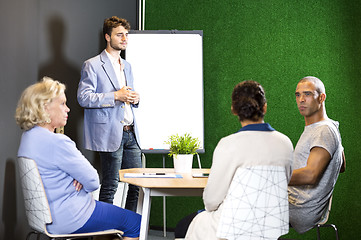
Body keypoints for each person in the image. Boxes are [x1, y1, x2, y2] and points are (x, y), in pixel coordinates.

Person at [15, 77, 140, 240]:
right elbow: (94, 181)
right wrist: (79, 178)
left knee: (112, 222)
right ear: (44, 108)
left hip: (46, 219)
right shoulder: (57, 141)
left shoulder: (28, 138)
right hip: (73, 217)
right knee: (135, 223)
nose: (67, 109)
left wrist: (78, 178)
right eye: (62, 104)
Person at [184, 80, 294, 240]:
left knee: (185, 226)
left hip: (229, 231)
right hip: (269, 229)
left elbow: (211, 201)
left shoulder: (228, 145)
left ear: (234, 110)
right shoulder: (285, 143)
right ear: (264, 107)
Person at [77, 16, 141, 212]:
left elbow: (125, 97)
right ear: (107, 37)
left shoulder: (127, 66)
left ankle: (129, 227)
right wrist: (116, 96)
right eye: (119, 35)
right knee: (110, 185)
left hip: (131, 133)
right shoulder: (93, 64)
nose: (124, 39)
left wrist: (135, 99)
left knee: (137, 185)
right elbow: (84, 98)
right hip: (111, 133)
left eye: (126, 35)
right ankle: (106, 232)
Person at [288, 76, 345, 233]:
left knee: (236, 204)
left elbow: (310, 175)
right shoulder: (327, 127)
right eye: (297, 95)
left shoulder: (323, 130)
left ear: (322, 97)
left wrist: (273, 176)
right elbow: (341, 166)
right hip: (292, 200)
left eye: (307, 94)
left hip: (298, 208)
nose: (301, 100)